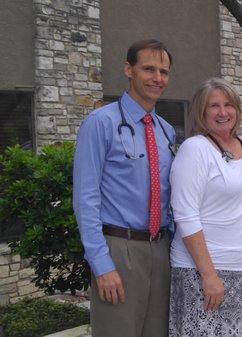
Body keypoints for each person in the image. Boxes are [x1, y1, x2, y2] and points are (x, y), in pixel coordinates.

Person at [73, 39, 176, 337]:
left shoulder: (166, 131)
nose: (158, 78)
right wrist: (102, 265)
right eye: (149, 69)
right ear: (128, 69)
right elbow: (85, 198)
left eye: (164, 72)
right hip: (119, 249)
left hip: (161, 249)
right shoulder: (100, 123)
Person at [168, 78, 242, 337]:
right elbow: (185, 215)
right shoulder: (195, 149)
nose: (223, 112)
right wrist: (209, 275)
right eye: (214, 106)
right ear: (201, 113)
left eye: (228, 105)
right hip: (203, 272)